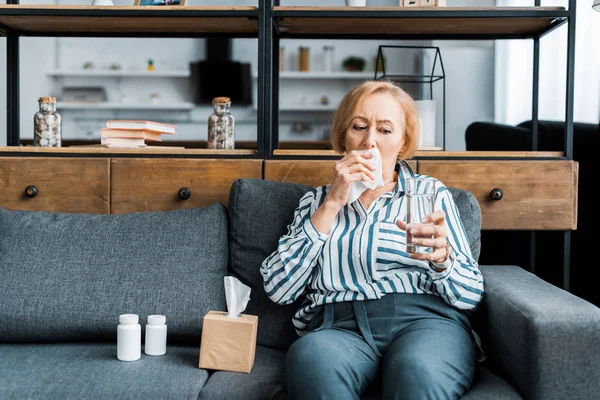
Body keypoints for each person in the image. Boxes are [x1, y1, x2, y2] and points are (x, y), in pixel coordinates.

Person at [260, 80, 484, 400]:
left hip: (424, 322)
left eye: (385, 130)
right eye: (359, 127)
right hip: (339, 327)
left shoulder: (430, 194)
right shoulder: (316, 202)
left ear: (403, 143)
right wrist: (333, 204)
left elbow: (472, 296)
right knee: (312, 362)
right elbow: (279, 290)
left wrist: (443, 260)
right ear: (344, 137)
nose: (370, 142)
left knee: (417, 372)